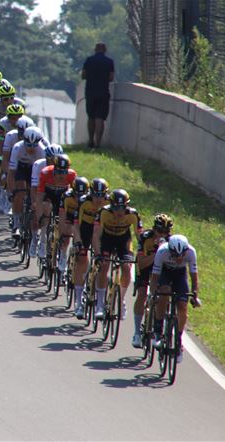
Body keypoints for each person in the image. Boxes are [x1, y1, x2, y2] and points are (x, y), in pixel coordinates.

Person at [149, 235, 201, 363]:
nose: (179, 258)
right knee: (164, 294)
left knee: (183, 306)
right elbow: (155, 276)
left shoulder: (191, 252)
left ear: (185, 251)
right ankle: (158, 329)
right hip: (165, 272)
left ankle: (178, 339)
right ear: (170, 250)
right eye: (175, 255)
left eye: (181, 255)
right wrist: (153, 293)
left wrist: (195, 294)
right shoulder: (162, 251)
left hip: (180, 274)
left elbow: (194, 276)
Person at [92, 189, 141, 320]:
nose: (119, 212)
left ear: (127, 206)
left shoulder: (133, 214)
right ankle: (100, 303)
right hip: (107, 239)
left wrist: (143, 254)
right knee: (105, 265)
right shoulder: (104, 212)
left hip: (123, 240)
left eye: (122, 208)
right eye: (115, 208)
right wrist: (97, 254)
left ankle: (121, 299)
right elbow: (96, 235)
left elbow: (139, 235)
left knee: (126, 268)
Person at [132, 213, 174, 348]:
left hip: (161, 269)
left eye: (165, 232)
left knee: (164, 295)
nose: (162, 235)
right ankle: (137, 332)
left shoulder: (172, 241)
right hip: (145, 267)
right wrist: (158, 254)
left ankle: (159, 326)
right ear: (154, 229)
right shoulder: (146, 237)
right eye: (159, 231)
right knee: (142, 293)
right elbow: (142, 262)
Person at [72, 178, 110, 318]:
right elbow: (76, 225)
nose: (98, 199)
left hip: (102, 231)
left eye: (101, 195)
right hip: (85, 229)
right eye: (95, 195)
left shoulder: (110, 203)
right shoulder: (83, 201)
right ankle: (78, 302)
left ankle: (100, 304)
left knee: (105, 264)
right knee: (82, 259)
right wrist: (78, 242)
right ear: (90, 193)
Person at [81, 42, 114, 148]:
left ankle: (90, 140)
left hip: (90, 92)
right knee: (100, 118)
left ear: (95, 49)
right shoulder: (109, 62)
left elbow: (83, 75)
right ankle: (98, 143)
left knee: (91, 116)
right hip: (103, 92)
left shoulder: (89, 60)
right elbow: (111, 78)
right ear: (105, 50)